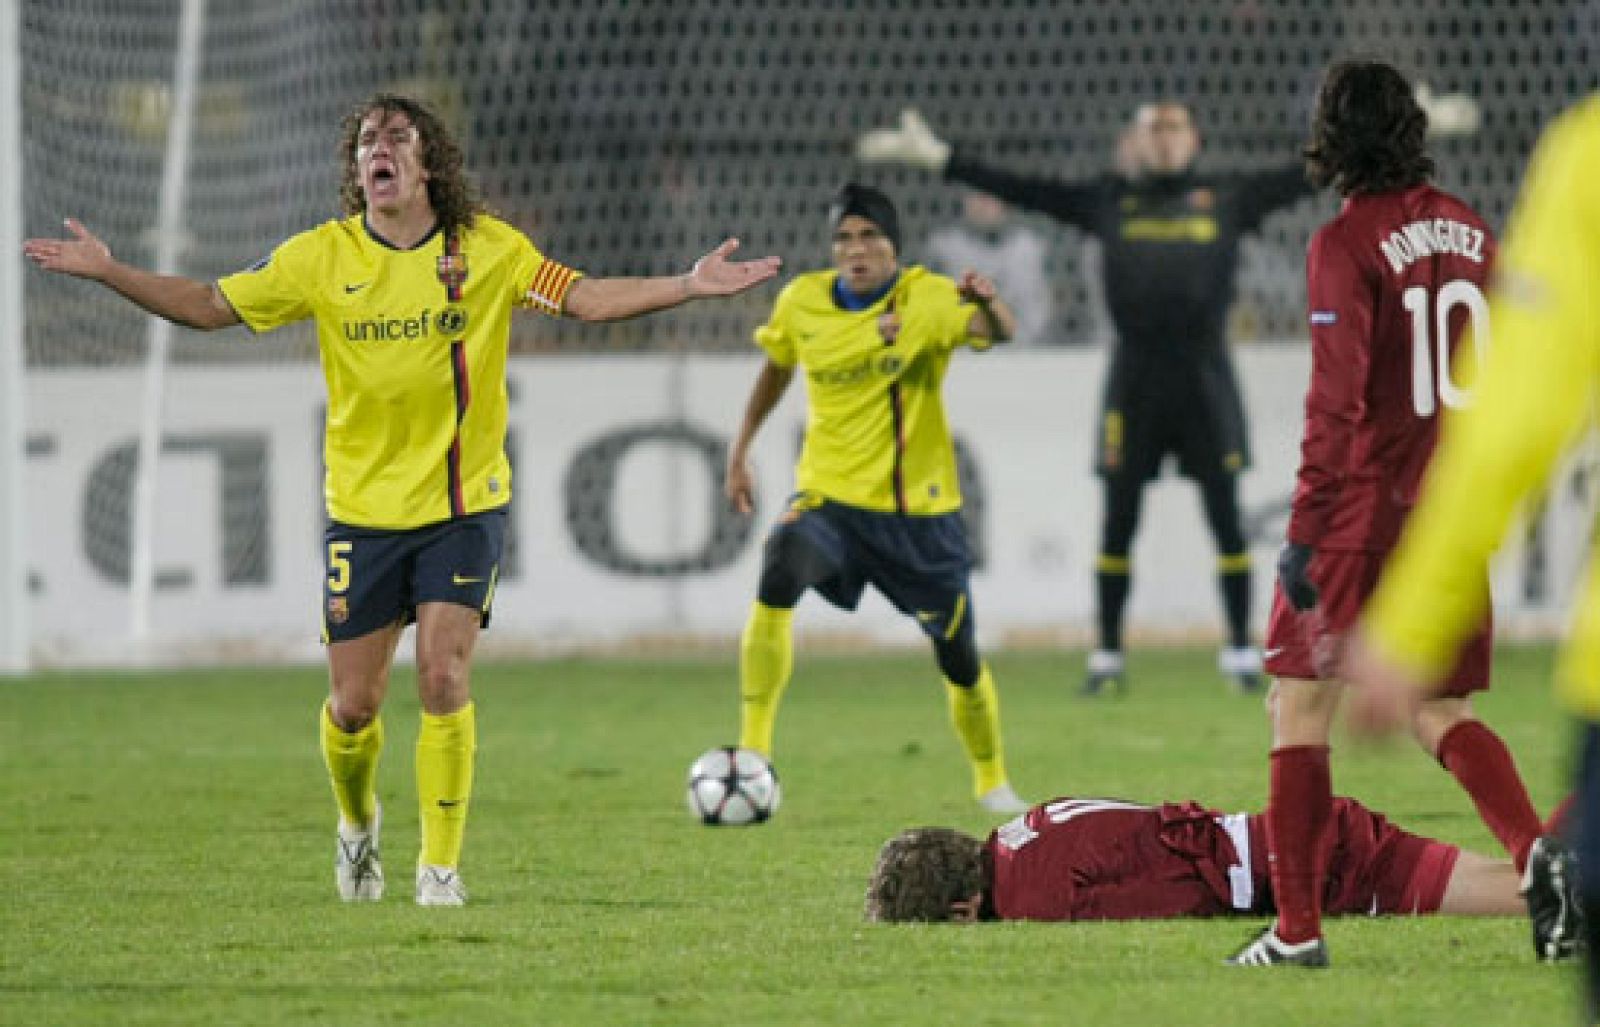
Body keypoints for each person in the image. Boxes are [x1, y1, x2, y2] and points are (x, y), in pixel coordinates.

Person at [22, 93, 781, 906]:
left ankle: (439, 869)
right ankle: (358, 826)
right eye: (365, 142)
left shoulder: (487, 249)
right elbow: (210, 306)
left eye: (395, 137)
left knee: (444, 678)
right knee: (354, 707)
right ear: (358, 172)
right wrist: (110, 271)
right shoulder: (322, 256)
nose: (376, 150)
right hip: (363, 513)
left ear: (427, 163)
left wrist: (688, 284)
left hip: (464, 506)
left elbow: (586, 297)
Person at [1228, 60, 1548, 969]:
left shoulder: (1345, 242)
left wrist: (1304, 530)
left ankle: (1297, 932)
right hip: (1449, 513)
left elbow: (1336, 403)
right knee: (1440, 706)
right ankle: (1540, 858)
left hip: (1360, 514)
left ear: (1330, 137)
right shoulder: (1473, 228)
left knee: (1298, 703)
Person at [858, 102, 1317, 696]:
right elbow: (1024, 190)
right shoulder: (1109, 200)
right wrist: (943, 160)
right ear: (1137, 141)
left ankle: (1238, 651)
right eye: (1154, 130)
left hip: (1206, 378)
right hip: (1135, 380)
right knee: (1118, 520)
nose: (1165, 139)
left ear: (1194, 138)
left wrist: (1403, 136)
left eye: (1175, 128)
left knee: (1226, 518)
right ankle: (1106, 656)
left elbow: (1305, 177)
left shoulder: (1226, 198)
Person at [1343, 94, 1600, 996]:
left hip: (1390, 497)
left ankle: (1542, 856)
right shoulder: (1472, 229)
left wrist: (1405, 620)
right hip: (1427, 488)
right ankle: (1548, 854)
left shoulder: (1585, 157)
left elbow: (1512, 417)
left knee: (1338, 711)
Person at [724, 183, 1027, 814]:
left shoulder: (926, 297)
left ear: (893, 246)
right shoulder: (802, 302)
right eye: (844, 238)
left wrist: (990, 304)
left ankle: (991, 778)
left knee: (959, 658)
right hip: (831, 501)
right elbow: (777, 367)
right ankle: (752, 754)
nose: (855, 250)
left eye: (869, 237)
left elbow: (997, 332)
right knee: (781, 561)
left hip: (918, 518)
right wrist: (741, 446)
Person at [865, 792, 1571, 950]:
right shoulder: (1021, 834)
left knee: (1538, 897)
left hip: (1304, 864)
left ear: (960, 910)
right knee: (1529, 880)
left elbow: (1172, 895)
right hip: (1291, 832)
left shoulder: (1027, 892)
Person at [923, 191, 1056, 348]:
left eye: (989, 196)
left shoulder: (1030, 248)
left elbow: (1041, 312)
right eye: (977, 196)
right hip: (962, 352)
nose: (983, 205)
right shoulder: (944, 248)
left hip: (1024, 352)